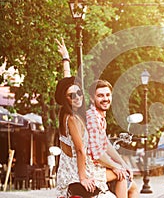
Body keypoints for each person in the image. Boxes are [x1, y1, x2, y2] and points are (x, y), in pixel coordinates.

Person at [56, 38, 138, 198]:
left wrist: (65, 59)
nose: (78, 96)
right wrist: (82, 178)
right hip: (78, 174)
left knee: (120, 172)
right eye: (72, 96)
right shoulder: (72, 118)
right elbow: (80, 150)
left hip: (69, 173)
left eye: (79, 92)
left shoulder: (70, 114)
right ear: (66, 98)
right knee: (122, 176)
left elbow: (67, 82)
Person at [87, 79, 139, 198]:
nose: (105, 99)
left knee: (132, 186)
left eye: (107, 95)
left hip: (97, 166)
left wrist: (122, 163)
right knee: (122, 176)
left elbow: (106, 144)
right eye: (100, 96)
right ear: (91, 98)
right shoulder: (92, 118)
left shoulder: (99, 116)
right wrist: (115, 167)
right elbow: (97, 154)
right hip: (90, 169)